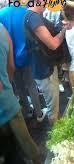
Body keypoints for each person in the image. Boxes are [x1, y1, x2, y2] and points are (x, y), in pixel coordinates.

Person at [25, 0, 74, 124]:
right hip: (43, 70)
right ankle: (56, 136)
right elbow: (52, 44)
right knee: (53, 107)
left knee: (53, 102)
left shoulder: (31, 15)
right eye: (47, 0)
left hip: (42, 66)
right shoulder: (34, 18)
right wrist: (64, 30)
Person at [0, 0, 46, 122]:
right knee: (31, 84)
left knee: (19, 86)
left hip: (9, 58)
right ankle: (39, 114)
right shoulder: (26, 12)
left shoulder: (1, 14)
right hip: (26, 55)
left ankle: (27, 111)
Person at [0, 23, 40, 164]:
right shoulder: (2, 29)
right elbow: (11, 66)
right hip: (9, 102)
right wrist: (7, 85)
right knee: (28, 145)